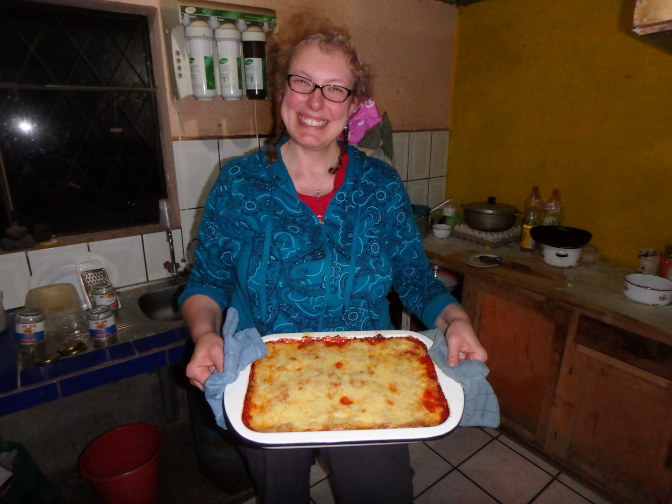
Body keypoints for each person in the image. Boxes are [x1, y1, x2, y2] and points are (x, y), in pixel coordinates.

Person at [179, 15, 487, 504]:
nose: (315, 101)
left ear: (355, 104)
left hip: (369, 374)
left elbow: (414, 278)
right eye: (302, 82)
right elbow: (207, 283)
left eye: (335, 89)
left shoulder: (381, 186)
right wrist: (206, 335)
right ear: (282, 90)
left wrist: (454, 319)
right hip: (265, 374)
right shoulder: (238, 183)